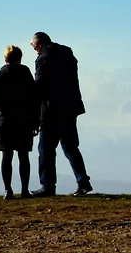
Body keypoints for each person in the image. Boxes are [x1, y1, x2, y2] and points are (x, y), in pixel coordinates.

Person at [31, 32, 94, 197]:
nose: (34, 50)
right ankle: (83, 182)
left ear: (38, 45)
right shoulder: (67, 53)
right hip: (69, 108)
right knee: (71, 147)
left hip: (50, 111)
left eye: (33, 46)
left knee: (45, 150)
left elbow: (40, 86)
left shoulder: (43, 58)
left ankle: (47, 186)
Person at [0, 45, 39, 200]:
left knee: (6, 156)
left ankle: (8, 190)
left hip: (5, 121)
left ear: (5, 58)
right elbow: (35, 98)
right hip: (24, 120)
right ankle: (24, 190)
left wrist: (2, 109)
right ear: (19, 58)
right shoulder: (25, 74)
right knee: (23, 156)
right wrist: (35, 121)